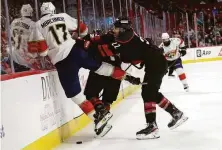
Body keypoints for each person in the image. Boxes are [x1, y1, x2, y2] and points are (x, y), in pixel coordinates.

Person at [27, 2, 137, 137]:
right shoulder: (62, 16)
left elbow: (43, 51)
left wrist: (40, 54)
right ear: (53, 10)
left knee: (75, 95)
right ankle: (127, 76)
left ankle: (98, 118)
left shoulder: (37, 25)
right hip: (76, 50)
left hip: (62, 61)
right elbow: (83, 28)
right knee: (99, 67)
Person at [89, 17, 188, 139]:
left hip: (156, 63)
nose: (113, 30)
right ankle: (176, 113)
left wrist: (85, 44)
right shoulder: (126, 36)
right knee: (151, 92)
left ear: (123, 29)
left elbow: (101, 50)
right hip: (155, 62)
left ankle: (152, 127)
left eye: (116, 28)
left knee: (148, 92)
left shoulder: (124, 41)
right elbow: (110, 39)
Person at [10, 4, 40, 70]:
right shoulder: (32, 24)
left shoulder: (14, 22)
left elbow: (10, 37)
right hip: (27, 60)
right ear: (31, 13)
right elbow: (35, 43)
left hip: (14, 57)